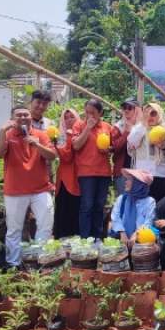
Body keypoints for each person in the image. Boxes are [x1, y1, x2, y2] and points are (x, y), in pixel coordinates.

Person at [0, 106, 57, 268]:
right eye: (18, 115)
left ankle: (40, 261)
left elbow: (53, 156)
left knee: (46, 224)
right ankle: (13, 264)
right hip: (15, 191)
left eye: (25, 114)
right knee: (14, 229)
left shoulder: (41, 135)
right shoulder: (7, 135)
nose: (23, 117)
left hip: (40, 189)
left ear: (30, 117)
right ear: (13, 119)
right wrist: (2, 130)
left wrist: (37, 145)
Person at [72, 98, 118, 239]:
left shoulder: (107, 127)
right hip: (86, 172)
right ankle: (85, 238)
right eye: (87, 113)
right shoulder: (79, 125)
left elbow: (113, 147)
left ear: (100, 113)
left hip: (103, 172)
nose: (89, 116)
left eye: (93, 113)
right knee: (87, 206)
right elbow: (76, 145)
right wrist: (88, 128)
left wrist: (108, 149)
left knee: (99, 205)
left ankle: (97, 236)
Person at [128, 102, 165, 202]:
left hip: (163, 176)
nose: (149, 116)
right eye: (146, 113)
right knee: (143, 209)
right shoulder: (139, 128)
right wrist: (143, 125)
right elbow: (132, 143)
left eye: (153, 113)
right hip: (143, 177)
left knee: (161, 209)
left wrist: (164, 147)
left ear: (160, 114)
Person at [53, 108, 81, 238]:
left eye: (72, 117)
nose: (69, 120)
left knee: (77, 207)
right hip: (65, 176)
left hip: (79, 174)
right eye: (66, 117)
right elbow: (66, 157)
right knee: (63, 206)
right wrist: (69, 137)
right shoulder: (59, 136)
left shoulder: (82, 131)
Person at [109, 168, 156, 245]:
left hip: (140, 241)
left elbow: (148, 222)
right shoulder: (122, 198)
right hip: (120, 239)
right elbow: (115, 217)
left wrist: (136, 234)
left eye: (129, 180)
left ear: (138, 184)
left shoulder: (149, 201)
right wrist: (122, 233)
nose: (125, 182)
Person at [112, 98, 139, 196]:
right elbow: (115, 147)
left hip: (139, 171)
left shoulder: (143, 126)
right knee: (123, 201)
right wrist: (126, 132)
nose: (126, 110)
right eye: (124, 108)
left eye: (130, 107)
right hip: (122, 171)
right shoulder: (118, 127)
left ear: (137, 110)